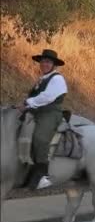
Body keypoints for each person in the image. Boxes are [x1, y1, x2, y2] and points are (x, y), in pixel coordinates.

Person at [16, 49, 68, 190]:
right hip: (37, 111)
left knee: (40, 137)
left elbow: (47, 97)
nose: (44, 64)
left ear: (54, 65)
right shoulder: (42, 79)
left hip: (50, 113)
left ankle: (43, 174)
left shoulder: (57, 79)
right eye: (43, 61)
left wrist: (28, 103)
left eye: (48, 62)